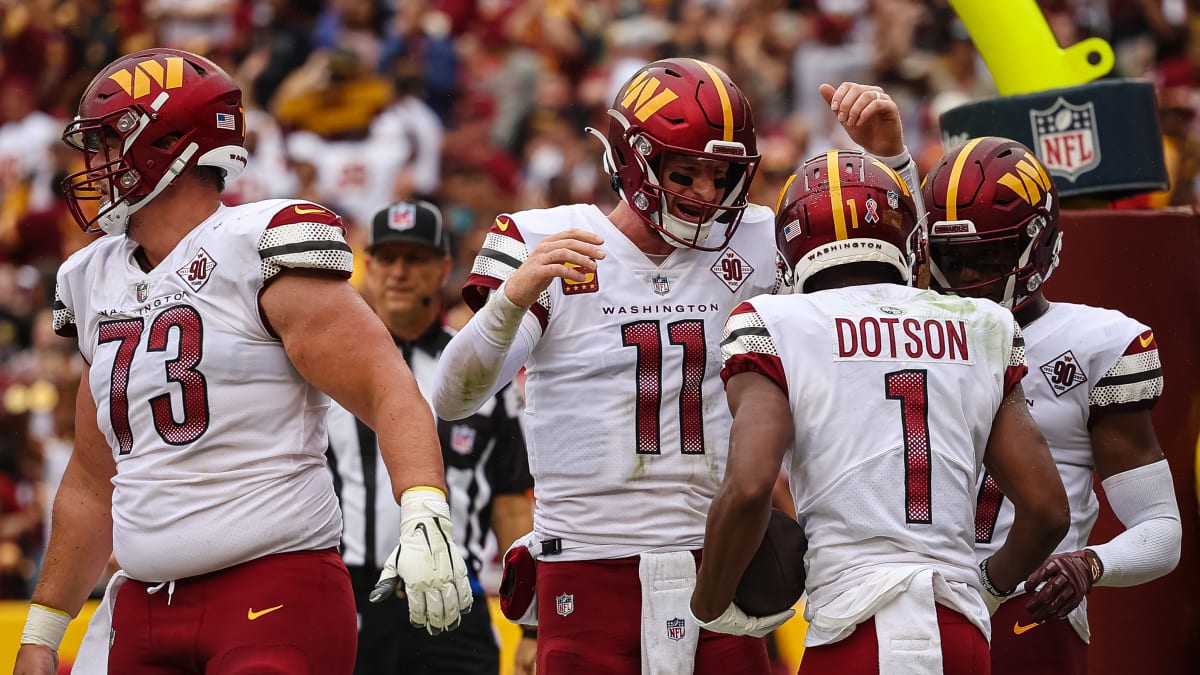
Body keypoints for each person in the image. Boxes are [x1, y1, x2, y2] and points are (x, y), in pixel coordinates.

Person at [14, 48, 471, 675]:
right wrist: (44, 627)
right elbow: (94, 479)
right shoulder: (91, 277)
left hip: (271, 589)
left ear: (169, 143)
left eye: (110, 142)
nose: (95, 164)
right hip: (145, 607)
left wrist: (423, 507)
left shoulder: (256, 244)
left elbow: (386, 386)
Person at [431, 57, 792, 674]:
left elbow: (886, 300)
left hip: (720, 557)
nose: (706, 195)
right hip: (587, 561)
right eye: (685, 172)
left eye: (720, 175)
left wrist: (890, 162)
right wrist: (512, 298)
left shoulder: (761, 239)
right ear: (632, 160)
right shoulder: (549, 239)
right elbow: (451, 396)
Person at [690, 146, 1073, 673]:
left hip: (856, 629)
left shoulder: (775, 321)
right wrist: (983, 589)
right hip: (959, 631)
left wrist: (708, 604)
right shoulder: (979, 322)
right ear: (912, 241)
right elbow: (1049, 510)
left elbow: (751, 486)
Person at [922, 136, 1183, 675]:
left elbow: (1162, 528)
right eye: (952, 258)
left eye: (985, 256)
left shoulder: (1098, 344)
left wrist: (1090, 563)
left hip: (1026, 609)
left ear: (1037, 244)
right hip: (913, 605)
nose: (968, 277)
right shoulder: (908, 328)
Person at [327, 199, 536, 675]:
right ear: (369, 265)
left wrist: (528, 624)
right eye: (389, 258)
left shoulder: (478, 371)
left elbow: (509, 501)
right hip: (350, 590)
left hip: (455, 596)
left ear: (444, 267)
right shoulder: (327, 366)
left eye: (415, 258)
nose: (400, 272)